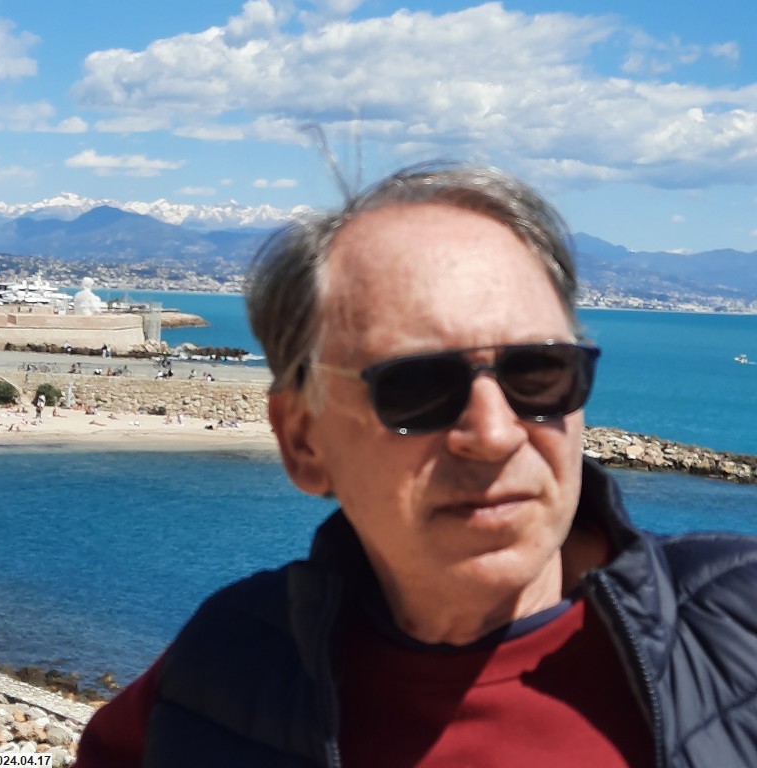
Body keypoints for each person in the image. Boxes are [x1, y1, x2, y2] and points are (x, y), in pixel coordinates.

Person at [74, 164, 757, 767]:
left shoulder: (740, 627)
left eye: (538, 371)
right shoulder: (214, 683)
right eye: (417, 387)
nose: (494, 434)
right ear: (304, 441)